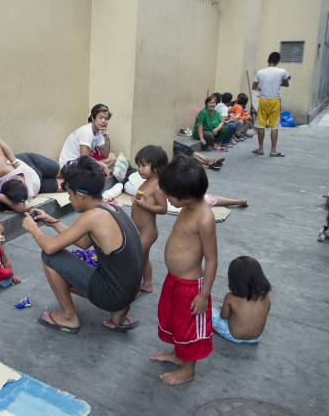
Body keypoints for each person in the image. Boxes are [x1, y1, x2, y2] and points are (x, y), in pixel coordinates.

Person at [22, 156, 143, 334]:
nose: (69, 199)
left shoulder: (92, 216)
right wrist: (51, 221)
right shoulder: (112, 208)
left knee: (50, 257)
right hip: (128, 292)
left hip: (112, 295)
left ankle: (69, 317)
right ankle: (119, 310)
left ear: (80, 195)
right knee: (67, 263)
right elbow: (84, 242)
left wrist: (33, 229)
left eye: (69, 194)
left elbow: (49, 247)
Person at [151, 155, 217, 385]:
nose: (166, 198)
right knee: (176, 321)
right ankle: (178, 355)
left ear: (187, 197)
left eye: (170, 195)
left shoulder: (204, 219)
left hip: (191, 287)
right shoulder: (187, 207)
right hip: (174, 280)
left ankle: (189, 369)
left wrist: (204, 295)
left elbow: (212, 260)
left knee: (190, 328)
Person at [0, 139, 64, 213]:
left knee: (68, 172)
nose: (25, 181)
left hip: (31, 163)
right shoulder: (13, 200)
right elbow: (26, 207)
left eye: (20, 181)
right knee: (67, 185)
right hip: (40, 186)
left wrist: (14, 162)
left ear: (11, 178)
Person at [130, 146, 168, 297]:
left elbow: (163, 208)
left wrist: (144, 206)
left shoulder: (157, 187)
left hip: (147, 231)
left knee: (135, 259)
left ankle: (134, 289)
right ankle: (147, 284)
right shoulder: (146, 182)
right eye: (138, 165)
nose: (139, 169)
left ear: (157, 167)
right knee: (144, 258)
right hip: (138, 229)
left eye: (144, 165)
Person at [213, 256, 270, 343]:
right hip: (256, 338)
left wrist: (228, 311)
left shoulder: (230, 297)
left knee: (209, 311)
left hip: (234, 336)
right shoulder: (266, 298)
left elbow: (223, 316)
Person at [59, 104, 116, 181]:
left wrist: (107, 139)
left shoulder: (99, 131)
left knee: (112, 157)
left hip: (81, 161)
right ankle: (91, 176)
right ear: (93, 118)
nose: (103, 121)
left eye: (106, 118)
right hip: (69, 164)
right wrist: (104, 166)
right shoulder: (87, 131)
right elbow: (84, 157)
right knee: (100, 164)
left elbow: (105, 155)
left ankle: (94, 174)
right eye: (100, 117)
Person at [252, 52, 290, 157]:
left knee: (261, 125)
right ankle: (273, 150)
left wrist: (261, 87)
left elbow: (254, 86)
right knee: (274, 126)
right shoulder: (282, 71)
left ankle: (260, 149)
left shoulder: (260, 72)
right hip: (275, 100)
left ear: (268, 61)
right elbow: (286, 84)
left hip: (263, 100)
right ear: (278, 62)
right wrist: (277, 83)